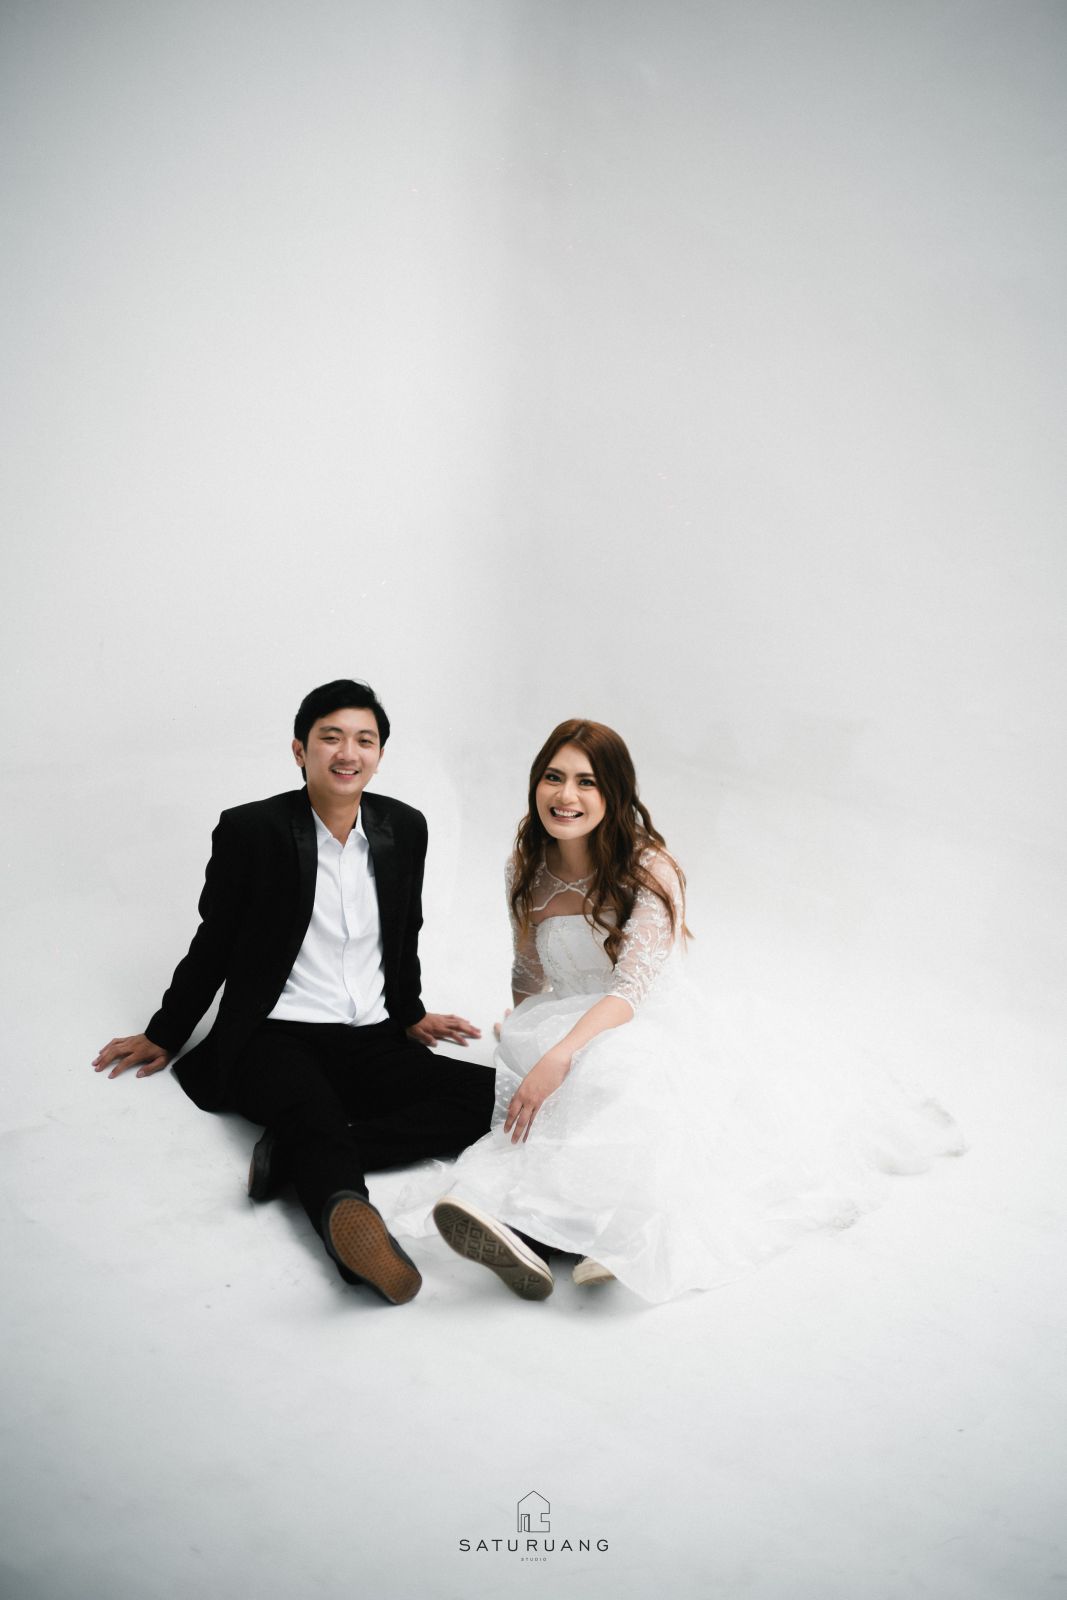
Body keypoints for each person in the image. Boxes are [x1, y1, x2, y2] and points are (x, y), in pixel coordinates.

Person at [391, 718, 966, 1304]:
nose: (566, 795)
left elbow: (629, 992)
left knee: (621, 1080)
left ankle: (621, 1236)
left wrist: (560, 1055)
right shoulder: (525, 866)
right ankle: (517, 1222)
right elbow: (528, 971)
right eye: (553, 777)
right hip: (566, 1021)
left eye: (587, 782)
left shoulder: (648, 867)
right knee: (538, 1112)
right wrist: (524, 1036)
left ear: (615, 793)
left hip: (647, 1023)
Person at [93, 679, 495, 1305]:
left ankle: (292, 1156)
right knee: (314, 1114)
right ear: (300, 749)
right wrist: (165, 1032)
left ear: (379, 754)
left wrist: (410, 1013)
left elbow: (405, 929)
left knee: (496, 1099)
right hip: (275, 1037)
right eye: (331, 737)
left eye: (364, 740)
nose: (348, 753)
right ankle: (357, 1235)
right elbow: (215, 941)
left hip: (369, 1037)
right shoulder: (251, 830)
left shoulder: (404, 827)